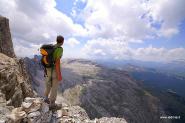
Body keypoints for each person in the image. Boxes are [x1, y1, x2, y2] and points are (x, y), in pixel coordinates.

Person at [44, 35, 64, 108]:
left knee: (48, 85)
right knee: (54, 87)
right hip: (54, 71)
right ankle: (52, 104)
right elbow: (57, 62)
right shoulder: (59, 49)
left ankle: (45, 98)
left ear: (56, 40)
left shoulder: (51, 47)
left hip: (47, 70)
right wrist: (59, 74)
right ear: (62, 42)